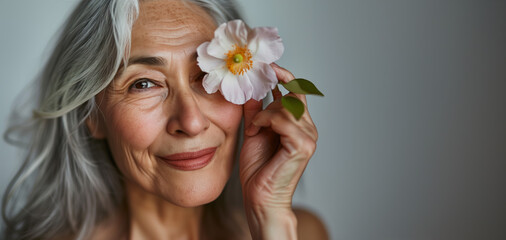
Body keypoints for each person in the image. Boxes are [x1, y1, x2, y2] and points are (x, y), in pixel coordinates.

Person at [2, 0, 328, 239]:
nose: (191, 121)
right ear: (92, 115)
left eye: (205, 76)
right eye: (143, 84)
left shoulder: (299, 232)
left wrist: (269, 223)